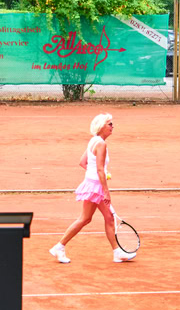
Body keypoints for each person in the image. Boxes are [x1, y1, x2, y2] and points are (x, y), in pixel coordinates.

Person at [49, 113, 135, 264]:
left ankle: (116, 252)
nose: (112, 126)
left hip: (92, 184)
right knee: (89, 218)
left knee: (99, 218)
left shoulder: (93, 141)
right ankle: (59, 247)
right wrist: (105, 190)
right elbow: (100, 169)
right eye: (110, 124)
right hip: (96, 187)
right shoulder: (101, 144)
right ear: (102, 126)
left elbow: (83, 162)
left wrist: (96, 174)